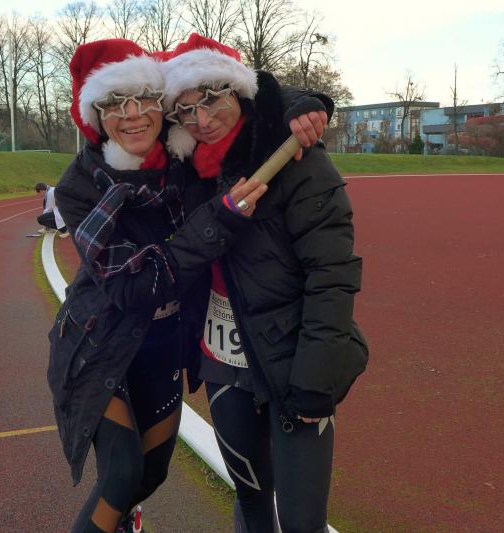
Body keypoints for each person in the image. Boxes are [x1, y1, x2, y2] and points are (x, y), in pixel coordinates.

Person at [46, 38, 274, 533]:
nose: (132, 115)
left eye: (143, 98)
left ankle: (125, 520)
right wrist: (218, 219)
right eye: (114, 102)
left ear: (160, 103)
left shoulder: (185, 163)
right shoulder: (79, 186)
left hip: (166, 342)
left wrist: (307, 106)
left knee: (151, 474)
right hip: (99, 341)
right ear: (96, 115)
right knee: (121, 475)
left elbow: (246, 109)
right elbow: (134, 288)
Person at [160, 34, 370, 533]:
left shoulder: (298, 160)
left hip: (292, 361)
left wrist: (315, 380)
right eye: (185, 110)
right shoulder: (185, 172)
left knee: (301, 522)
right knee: (252, 505)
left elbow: (333, 275)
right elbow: (120, 128)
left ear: (237, 90)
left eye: (211, 99)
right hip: (222, 362)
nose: (202, 120)